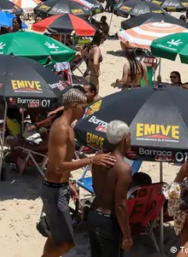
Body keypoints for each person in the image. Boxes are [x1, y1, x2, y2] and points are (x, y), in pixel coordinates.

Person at [41, 88, 116, 257]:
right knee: (66, 243)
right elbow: (59, 165)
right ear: (74, 106)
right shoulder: (61, 128)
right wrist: (91, 160)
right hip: (54, 190)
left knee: (55, 235)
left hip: (59, 187)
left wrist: (68, 182)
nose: (85, 110)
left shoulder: (66, 126)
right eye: (83, 107)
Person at [87, 120, 133, 257]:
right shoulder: (123, 169)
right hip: (109, 221)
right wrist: (127, 235)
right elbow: (120, 205)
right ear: (125, 139)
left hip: (93, 214)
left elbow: (96, 187)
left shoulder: (99, 158)